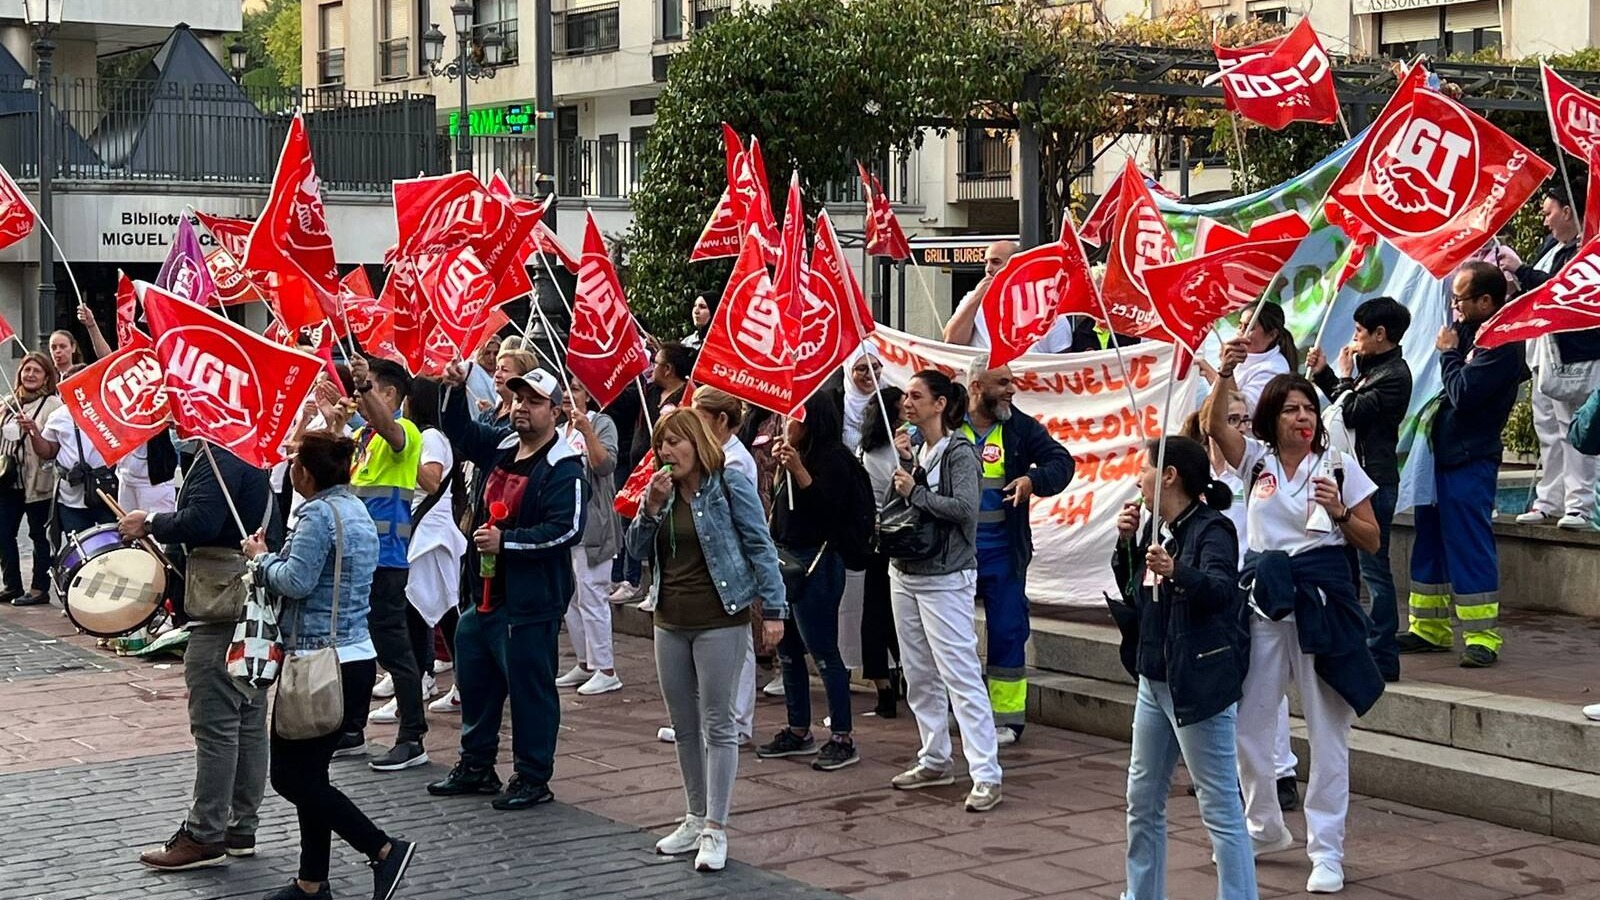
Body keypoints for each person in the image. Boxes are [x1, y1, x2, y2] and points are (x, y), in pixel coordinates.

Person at [1205, 363, 1384, 896]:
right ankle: (1264, 826)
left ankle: (1327, 849)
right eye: (1291, 409)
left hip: (1322, 602)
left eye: (1308, 409)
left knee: (1329, 731)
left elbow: (1372, 541)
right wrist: (1224, 373)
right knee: (1247, 725)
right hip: (1264, 600)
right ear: (1271, 418)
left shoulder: (1338, 464)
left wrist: (1340, 513)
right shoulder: (1256, 461)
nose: (1302, 417)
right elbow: (1215, 426)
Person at [242, 431, 417, 900]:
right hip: (354, 656)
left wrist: (260, 562)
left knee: (290, 776)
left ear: (305, 472)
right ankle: (311, 882)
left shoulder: (318, 513)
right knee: (312, 776)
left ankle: (382, 848)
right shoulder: (355, 508)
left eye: (295, 462)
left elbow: (296, 582)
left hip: (318, 662)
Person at [625, 409, 785, 872]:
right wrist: (650, 509)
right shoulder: (659, 490)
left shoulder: (729, 483)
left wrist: (774, 610)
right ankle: (694, 817)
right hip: (668, 619)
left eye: (675, 442)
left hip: (721, 618)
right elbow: (635, 552)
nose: (666, 452)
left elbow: (760, 545)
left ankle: (716, 826)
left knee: (719, 724)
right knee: (683, 724)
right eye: (661, 444)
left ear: (697, 442)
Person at [428, 366, 585, 810]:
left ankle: (533, 776)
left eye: (534, 402)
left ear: (555, 411)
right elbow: (458, 429)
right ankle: (476, 765)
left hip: (528, 602)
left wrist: (508, 542)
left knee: (531, 691)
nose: (521, 408)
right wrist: (456, 388)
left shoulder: (564, 467)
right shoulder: (500, 445)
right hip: (482, 595)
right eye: (518, 399)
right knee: (475, 679)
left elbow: (567, 529)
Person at [1110, 436, 1256, 900]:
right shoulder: (1159, 528)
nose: (1139, 477)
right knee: (1142, 800)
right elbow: (1139, 593)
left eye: (1146, 468)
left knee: (1219, 805)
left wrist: (1178, 571)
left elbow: (1218, 591)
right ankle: (1141, 893)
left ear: (1169, 476)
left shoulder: (1213, 530)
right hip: (1154, 678)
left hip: (1198, 682)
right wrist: (1127, 545)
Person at [123, 442, 273, 871]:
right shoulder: (250, 453)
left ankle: (205, 833)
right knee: (247, 719)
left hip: (220, 607)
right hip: (250, 606)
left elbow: (203, 520)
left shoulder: (219, 458)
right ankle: (240, 826)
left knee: (217, 724)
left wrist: (150, 522)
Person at [1402, 261, 1530, 668]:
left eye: (1461, 298)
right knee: (1430, 539)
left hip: (1471, 456)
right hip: (1440, 454)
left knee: (1469, 544)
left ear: (1486, 301)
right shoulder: (1469, 333)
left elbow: (1463, 392)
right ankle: (1429, 627)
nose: (1454, 306)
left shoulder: (1503, 343)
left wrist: (1448, 354)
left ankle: (1482, 636)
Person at [886, 370, 1003, 812]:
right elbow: (895, 504)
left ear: (939, 404)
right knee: (918, 674)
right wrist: (906, 475)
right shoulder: (915, 449)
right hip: (906, 572)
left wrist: (916, 491)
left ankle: (986, 773)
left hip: (945, 576)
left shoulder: (960, 452)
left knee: (960, 674)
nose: (907, 403)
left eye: (917, 396)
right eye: (906, 396)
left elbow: (964, 510)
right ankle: (935, 755)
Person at [959, 359, 1075, 744]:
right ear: (976, 386)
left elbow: (1063, 463)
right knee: (953, 637)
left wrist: (1032, 479)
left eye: (1012, 382)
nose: (1012, 389)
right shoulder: (946, 421)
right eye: (1003, 382)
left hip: (1004, 553)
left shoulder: (1020, 427)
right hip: (953, 554)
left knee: (1008, 631)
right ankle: (958, 711)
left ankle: (1007, 721)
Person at [325, 357, 431, 770]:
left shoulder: (402, 431)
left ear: (389, 394)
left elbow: (389, 427)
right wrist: (334, 423)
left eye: (369, 390)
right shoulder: (365, 439)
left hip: (387, 559)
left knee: (394, 648)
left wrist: (363, 388)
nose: (359, 398)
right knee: (357, 647)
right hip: (358, 559)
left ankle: (412, 736)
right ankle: (352, 729)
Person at [1308, 297, 1414, 683]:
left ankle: (1383, 654)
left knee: (1374, 568)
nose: (1354, 339)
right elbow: (1345, 403)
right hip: (1351, 480)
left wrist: (1342, 375)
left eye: (1359, 331)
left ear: (1380, 335)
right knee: (1347, 566)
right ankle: (1353, 643)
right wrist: (1324, 376)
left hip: (1375, 482)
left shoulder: (1396, 375)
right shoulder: (1376, 370)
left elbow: (1351, 410)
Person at [758, 392, 861, 771]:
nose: (786, 425)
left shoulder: (834, 460)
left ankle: (842, 736)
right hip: (787, 563)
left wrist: (800, 470)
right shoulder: (788, 457)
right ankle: (798, 728)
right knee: (788, 651)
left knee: (824, 651)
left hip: (819, 564)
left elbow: (828, 511)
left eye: (793, 418)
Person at [373, 378, 467, 721]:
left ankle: (459, 683)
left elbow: (431, 481)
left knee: (436, 611)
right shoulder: (421, 435)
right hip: (418, 532)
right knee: (425, 610)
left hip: (431, 537)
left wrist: (405, 453)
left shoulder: (430, 438)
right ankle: (425, 679)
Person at [1509, 189, 1600, 531]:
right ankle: (1549, 500)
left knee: (1576, 430)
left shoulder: (1589, 248)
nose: (1545, 220)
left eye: (1549, 212)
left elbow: (1564, 293)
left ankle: (1580, 505)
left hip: (1577, 355)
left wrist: (1524, 272)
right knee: (1548, 429)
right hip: (1542, 354)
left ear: (1567, 211)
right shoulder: (1550, 247)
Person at [687, 387, 760, 745]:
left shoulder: (736, 462)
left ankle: (737, 721)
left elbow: (745, 522)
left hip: (730, 564)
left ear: (721, 421)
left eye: (699, 417)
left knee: (738, 646)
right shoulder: (712, 456)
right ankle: (712, 719)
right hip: (707, 564)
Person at [553, 378, 623, 696]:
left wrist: (586, 431)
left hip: (593, 525)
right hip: (565, 525)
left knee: (593, 596)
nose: (569, 393)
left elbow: (605, 465)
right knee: (571, 598)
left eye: (578, 388)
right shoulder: (558, 430)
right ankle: (585, 662)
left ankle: (606, 669)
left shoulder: (601, 423)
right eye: (566, 387)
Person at [614, 341, 694, 605]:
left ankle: (652, 585)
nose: (651, 368)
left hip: (662, 470)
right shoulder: (649, 391)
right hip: (636, 468)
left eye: (656, 363)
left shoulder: (686, 395)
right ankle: (630, 578)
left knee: (660, 527)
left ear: (669, 369)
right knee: (634, 522)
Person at [856, 386, 905, 718]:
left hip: (873, 540)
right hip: (893, 538)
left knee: (875, 613)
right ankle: (899, 675)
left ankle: (884, 685)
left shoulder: (864, 449)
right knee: (890, 615)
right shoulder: (892, 454)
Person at [0, 353, 61, 606]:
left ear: (46, 376)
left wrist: (33, 431)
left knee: (39, 537)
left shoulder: (52, 405)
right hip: (7, 481)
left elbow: (54, 447)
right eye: (27, 370)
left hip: (39, 482)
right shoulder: (7, 401)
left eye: (37, 370)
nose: (31, 375)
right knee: (3, 533)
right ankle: (12, 584)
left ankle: (39, 588)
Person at [942, 241, 1073, 352]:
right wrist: (977, 297)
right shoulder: (972, 298)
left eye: (995, 262)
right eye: (986, 262)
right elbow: (952, 342)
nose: (988, 269)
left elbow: (1062, 357)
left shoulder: (1047, 304)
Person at [21, 390, 117, 536]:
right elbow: (48, 452)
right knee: (78, 547)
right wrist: (33, 432)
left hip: (107, 493)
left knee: (115, 543)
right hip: (70, 497)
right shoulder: (58, 415)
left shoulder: (110, 410)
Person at [1205, 302, 1297, 411]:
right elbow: (1223, 389)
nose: (1241, 332)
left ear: (1272, 335)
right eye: (1240, 325)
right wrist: (1205, 368)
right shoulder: (1245, 357)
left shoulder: (1274, 370)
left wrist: (1227, 370)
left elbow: (1242, 411)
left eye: (1249, 327)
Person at [837, 346, 883, 453]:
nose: (870, 375)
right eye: (862, 369)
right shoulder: (834, 405)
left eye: (875, 367)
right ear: (849, 370)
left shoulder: (892, 402)